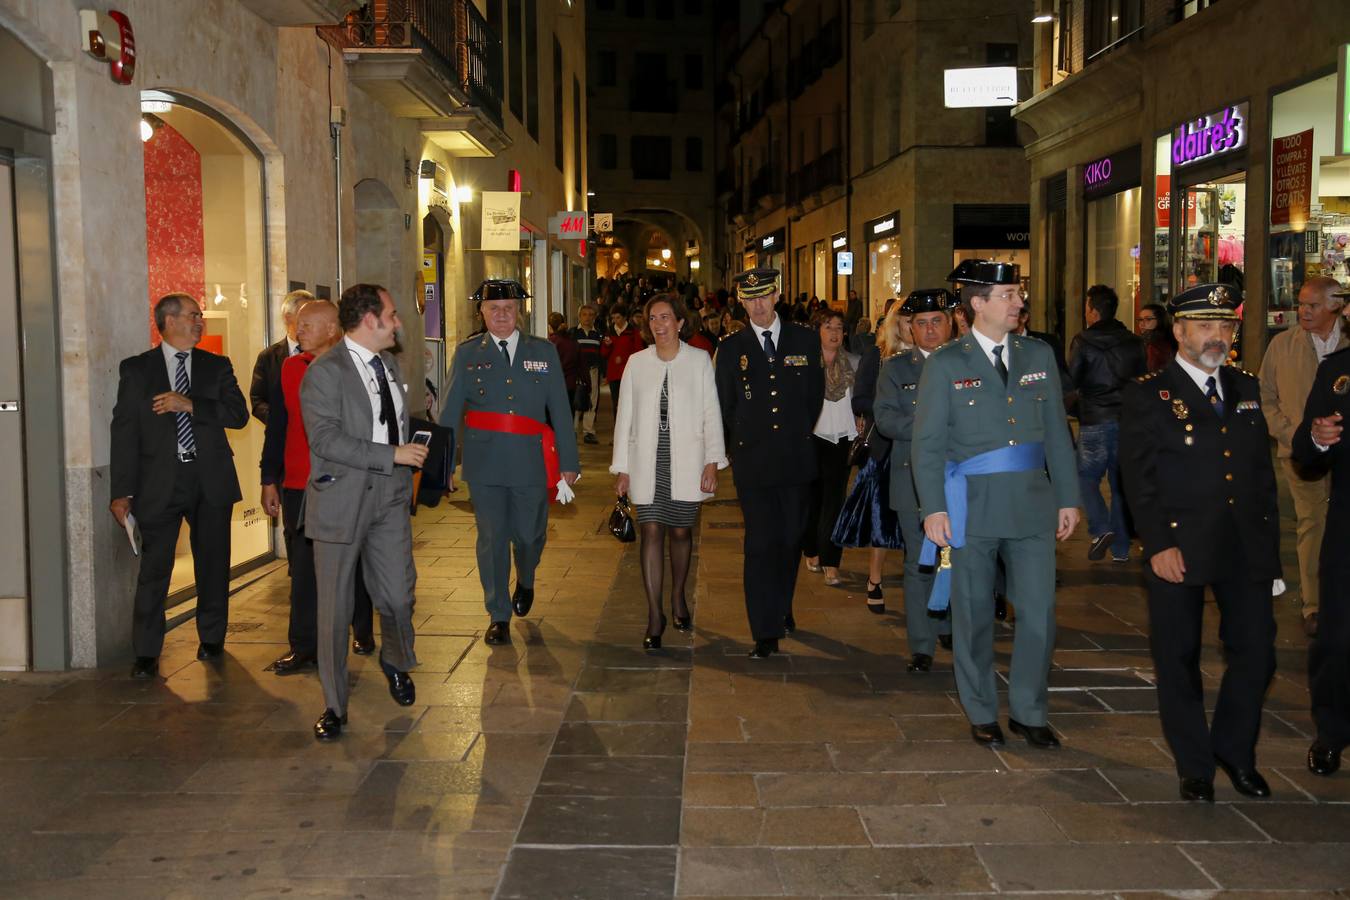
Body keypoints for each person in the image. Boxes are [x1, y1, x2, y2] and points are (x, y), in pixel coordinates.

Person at [1119, 283, 1280, 802]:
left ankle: (1235, 751)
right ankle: (1195, 765)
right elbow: (1138, 479)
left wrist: (1271, 554)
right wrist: (1158, 543)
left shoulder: (1246, 387)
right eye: (1205, 326)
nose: (1217, 337)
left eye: (1225, 326)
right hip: (1180, 544)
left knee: (1256, 653)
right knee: (1178, 655)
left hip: (1243, 546)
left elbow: (1260, 476)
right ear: (1179, 331)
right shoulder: (1148, 392)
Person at [912, 260, 1079, 749]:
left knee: (1039, 613)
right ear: (977, 303)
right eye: (1007, 295)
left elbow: (1055, 433)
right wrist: (934, 509)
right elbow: (928, 444)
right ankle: (982, 708)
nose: (1019, 303)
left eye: (1018, 294)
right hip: (972, 507)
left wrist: (1068, 496)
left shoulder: (1039, 355)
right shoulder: (946, 363)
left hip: (1031, 505)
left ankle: (1029, 710)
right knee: (972, 612)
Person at [301, 283, 427, 741]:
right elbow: (325, 440)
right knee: (334, 610)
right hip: (341, 499)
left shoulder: (389, 363)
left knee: (398, 595)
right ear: (369, 319)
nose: (398, 323)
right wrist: (390, 454)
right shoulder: (324, 372)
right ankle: (334, 704)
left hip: (389, 497)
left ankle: (394, 659)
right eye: (392, 315)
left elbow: (391, 420)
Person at [110, 293, 249, 679]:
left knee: (213, 564)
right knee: (155, 569)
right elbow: (124, 433)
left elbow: (238, 415)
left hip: (210, 480)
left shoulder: (216, 366)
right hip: (158, 483)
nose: (200, 322)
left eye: (200, 316)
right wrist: (121, 491)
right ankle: (147, 652)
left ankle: (212, 639)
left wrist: (189, 405)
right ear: (168, 321)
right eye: (193, 315)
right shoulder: (137, 370)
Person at [440, 280, 580, 648]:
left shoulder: (543, 351)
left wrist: (569, 460)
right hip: (484, 464)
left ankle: (527, 577)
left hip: (531, 461)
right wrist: (444, 465)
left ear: (520, 311)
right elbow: (450, 412)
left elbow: (561, 412)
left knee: (531, 535)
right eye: (493, 309)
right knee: (492, 539)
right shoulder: (468, 353)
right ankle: (497, 614)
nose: (501, 315)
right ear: (482, 312)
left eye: (508, 308)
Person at [259, 299, 375, 674]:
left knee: (353, 562)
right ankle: (304, 646)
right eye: (298, 324)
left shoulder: (359, 367)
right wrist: (268, 478)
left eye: (308, 324)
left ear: (332, 329)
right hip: (299, 485)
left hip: (346, 483)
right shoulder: (291, 368)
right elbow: (278, 426)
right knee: (304, 572)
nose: (299, 330)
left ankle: (362, 627)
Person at [715, 268, 825, 658]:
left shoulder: (805, 340)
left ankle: (781, 605)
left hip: (796, 459)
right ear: (741, 302)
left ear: (776, 295)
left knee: (791, 538)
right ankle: (764, 629)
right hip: (755, 463)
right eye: (750, 299)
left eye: (764, 297)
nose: (758, 306)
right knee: (761, 543)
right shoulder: (731, 348)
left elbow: (814, 397)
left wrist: (795, 435)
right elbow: (726, 406)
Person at [611, 294, 727, 648]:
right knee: (650, 532)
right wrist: (622, 468)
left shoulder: (699, 360)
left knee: (679, 532)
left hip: (687, 459)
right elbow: (624, 418)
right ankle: (654, 614)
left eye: (665, 318)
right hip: (647, 459)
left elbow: (711, 411)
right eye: (653, 319)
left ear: (680, 322)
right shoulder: (636, 362)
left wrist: (713, 459)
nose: (659, 325)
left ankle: (678, 596)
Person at [874, 289, 956, 672]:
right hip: (912, 481)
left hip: (962, 480)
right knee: (919, 561)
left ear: (949, 323)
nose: (929, 330)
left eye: (936, 321)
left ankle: (951, 624)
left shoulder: (967, 363)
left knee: (960, 558)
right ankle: (921, 644)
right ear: (909, 328)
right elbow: (886, 420)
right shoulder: (896, 369)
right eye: (920, 323)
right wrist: (933, 428)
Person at [1260, 275, 1345, 638]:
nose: (1303, 311)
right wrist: (1291, 434)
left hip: (1344, 454)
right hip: (1300, 455)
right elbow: (1265, 399)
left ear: (1335, 306)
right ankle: (1314, 606)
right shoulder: (1282, 346)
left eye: (1312, 305)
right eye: (1301, 304)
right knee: (1313, 524)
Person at [1291, 293, 1350, 777]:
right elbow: (1305, 456)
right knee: (1338, 638)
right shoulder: (1339, 372)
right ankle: (1331, 733)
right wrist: (1315, 437)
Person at [1068, 284, 1147, 563]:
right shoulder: (1135, 342)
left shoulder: (1082, 341)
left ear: (1093, 310)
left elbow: (1073, 379)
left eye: (1087, 308)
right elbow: (1143, 381)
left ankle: (1101, 528)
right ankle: (1121, 548)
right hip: (1127, 420)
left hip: (1094, 419)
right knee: (1120, 484)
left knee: (1084, 478)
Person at [836, 308, 906, 612]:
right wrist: (888, 408)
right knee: (882, 519)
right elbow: (860, 398)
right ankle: (874, 580)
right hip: (885, 448)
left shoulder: (932, 357)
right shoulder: (878, 356)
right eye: (905, 320)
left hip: (919, 449)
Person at [802, 310, 859, 587]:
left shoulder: (854, 363)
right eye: (828, 327)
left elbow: (862, 399)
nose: (835, 332)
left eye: (839, 327)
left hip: (844, 438)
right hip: (813, 438)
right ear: (818, 331)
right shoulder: (806, 364)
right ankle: (811, 548)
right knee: (813, 500)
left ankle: (831, 561)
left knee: (835, 502)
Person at [249, 288, 312, 424]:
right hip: (281, 437)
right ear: (288, 317)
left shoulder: (322, 353)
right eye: (304, 314)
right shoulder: (268, 357)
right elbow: (257, 400)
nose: (309, 320)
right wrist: (280, 420)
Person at [571, 304, 604, 445]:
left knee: (592, 401)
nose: (587, 318)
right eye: (584, 314)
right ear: (579, 316)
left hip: (593, 371)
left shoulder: (598, 334)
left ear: (595, 317)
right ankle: (572, 430)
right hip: (577, 371)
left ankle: (588, 431)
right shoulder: (573, 333)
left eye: (591, 315)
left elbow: (602, 355)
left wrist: (603, 372)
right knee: (577, 400)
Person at [602, 303, 644, 412]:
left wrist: (624, 359)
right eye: (613, 318)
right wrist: (607, 345)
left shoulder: (633, 333)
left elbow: (638, 353)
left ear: (625, 317)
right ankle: (617, 427)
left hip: (628, 372)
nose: (615, 320)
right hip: (614, 373)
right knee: (616, 403)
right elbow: (603, 354)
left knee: (628, 402)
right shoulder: (609, 332)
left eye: (618, 317)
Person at [548, 312, 586, 414]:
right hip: (570, 384)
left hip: (553, 386)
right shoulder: (574, 343)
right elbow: (581, 366)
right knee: (568, 415)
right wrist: (587, 383)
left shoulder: (549, 344)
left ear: (549, 327)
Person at [1137, 302, 1177, 371]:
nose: (1142, 324)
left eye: (1148, 319)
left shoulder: (1154, 345)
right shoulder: (1171, 336)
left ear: (1159, 320)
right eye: (1140, 319)